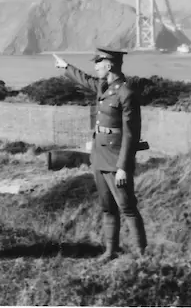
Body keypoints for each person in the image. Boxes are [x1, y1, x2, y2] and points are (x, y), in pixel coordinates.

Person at [53, 48, 147, 261]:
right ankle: (110, 251)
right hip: (99, 156)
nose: (95, 67)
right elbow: (85, 80)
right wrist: (65, 66)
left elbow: (131, 134)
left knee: (127, 207)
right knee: (107, 207)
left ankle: (142, 255)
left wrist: (123, 166)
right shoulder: (104, 87)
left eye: (98, 63)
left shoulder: (126, 92)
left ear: (110, 65)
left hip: (115, 159)